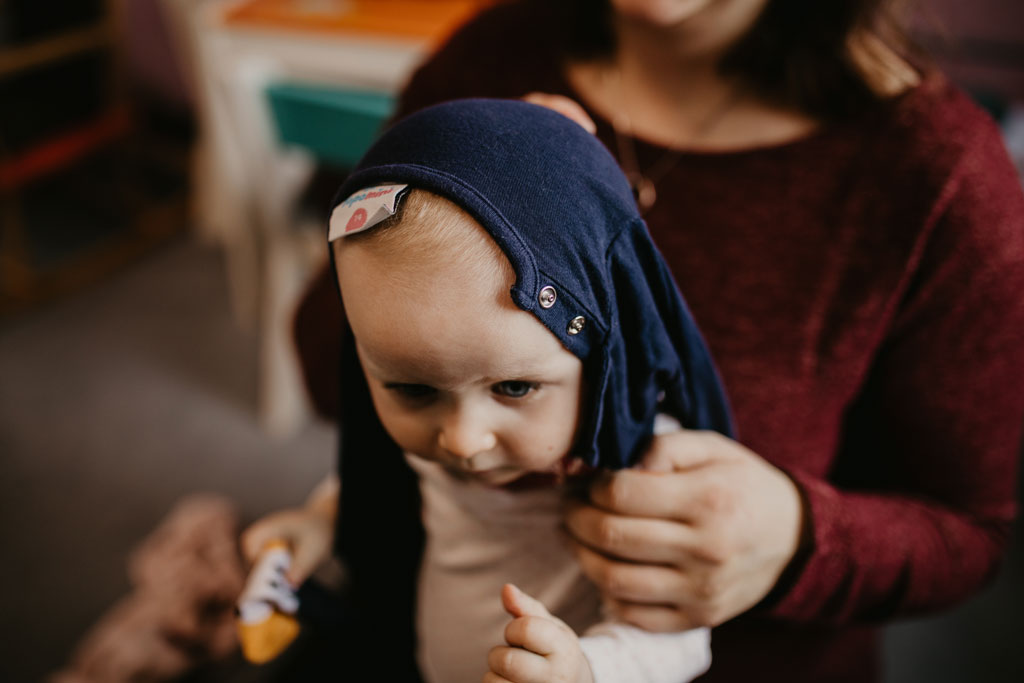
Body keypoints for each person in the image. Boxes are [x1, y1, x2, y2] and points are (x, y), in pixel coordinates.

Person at [287, 1, 1024, 681]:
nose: (467, 439)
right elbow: (339, 375)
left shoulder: (936, 173)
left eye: (512, 387)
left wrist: (801, 538)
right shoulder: (488, 58)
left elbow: (974, 533)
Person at [244, 98, 739, 682]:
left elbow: (678, 639)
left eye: (514, 386)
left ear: (600, 351)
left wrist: (588, 671)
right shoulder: (447, 439)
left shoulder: (647, 468)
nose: (463, 440)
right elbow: (386, 477)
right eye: (411, 390)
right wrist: (322, 520)